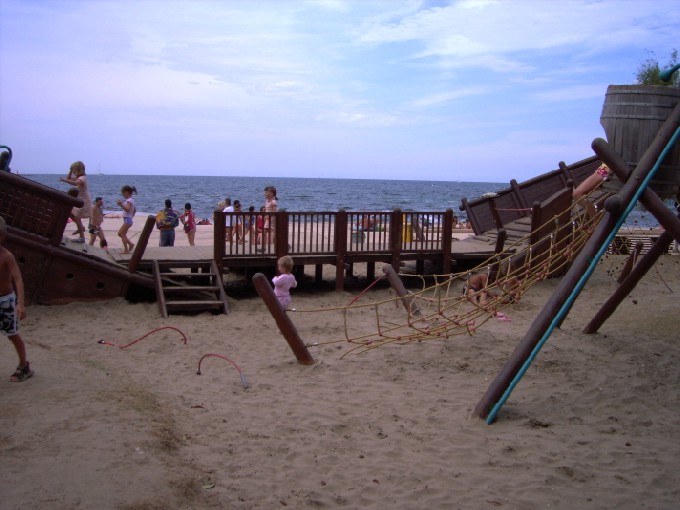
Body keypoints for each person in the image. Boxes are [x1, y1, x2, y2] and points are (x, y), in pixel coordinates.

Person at [0, 216, 34, 382]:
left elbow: (18, 279)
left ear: (2, 237)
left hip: (5, 302)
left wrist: (20, 304)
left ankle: (23, 365)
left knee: (12, 335)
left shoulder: (6, 256)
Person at [60, 161, 92, 243]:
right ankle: (81, 228)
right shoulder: (78, 177)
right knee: (70, 212)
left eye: (74, 170)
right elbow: (69, 178)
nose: (73, 172)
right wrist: (70, 171)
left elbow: (75, 183)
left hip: (84, 201)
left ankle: (82, 238)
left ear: (78, 170)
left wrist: (64, 180)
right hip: (79, 200)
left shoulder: (82, 178)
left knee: (78, 217)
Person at [116, 185, 137, 254]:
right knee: (121, 234)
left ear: (127, 192)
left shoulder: (129, 200)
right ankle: (130, 244)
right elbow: (134, 210)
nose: (123, 195)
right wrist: (131, 216)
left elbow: (127, 209)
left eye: (123, 193)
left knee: (121, 233)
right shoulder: (130, 200)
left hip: (128, 220)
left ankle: (126, 250)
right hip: (128, 219)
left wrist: (121, 204)